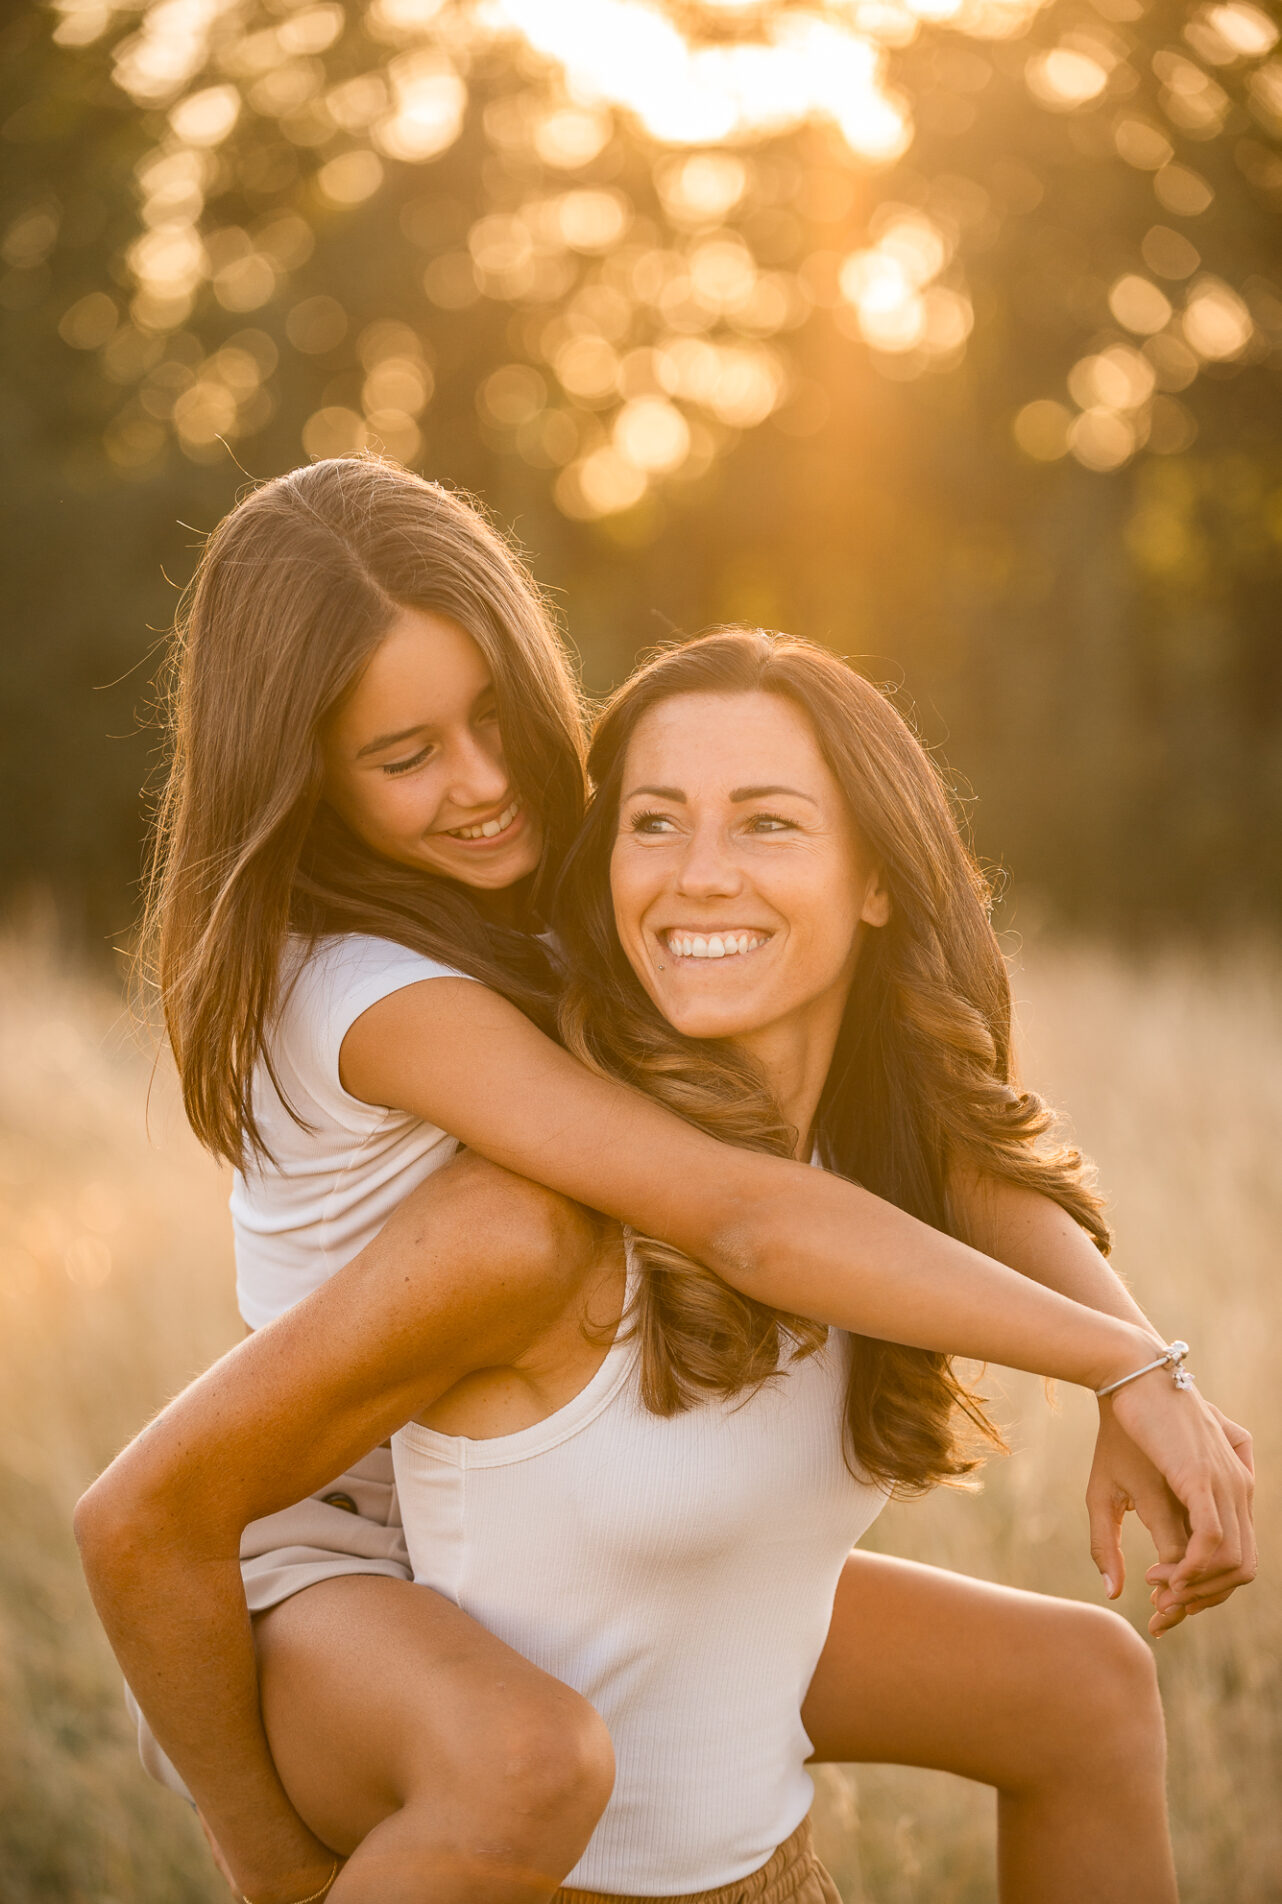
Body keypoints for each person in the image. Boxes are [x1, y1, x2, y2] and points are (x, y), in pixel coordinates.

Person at [79, 620, 1254, 1903]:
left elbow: (966, 1156)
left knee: (1085, 1683)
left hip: (754, 1857)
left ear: (878, 879)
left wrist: (1142, 1372)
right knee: (527, 1762)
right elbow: (742, 1221)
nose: (699, 874)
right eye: (652, 822)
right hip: (511, 1822)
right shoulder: (525, 1218)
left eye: (765, 823)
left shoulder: (865, 1165)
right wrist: (1127, 1364)